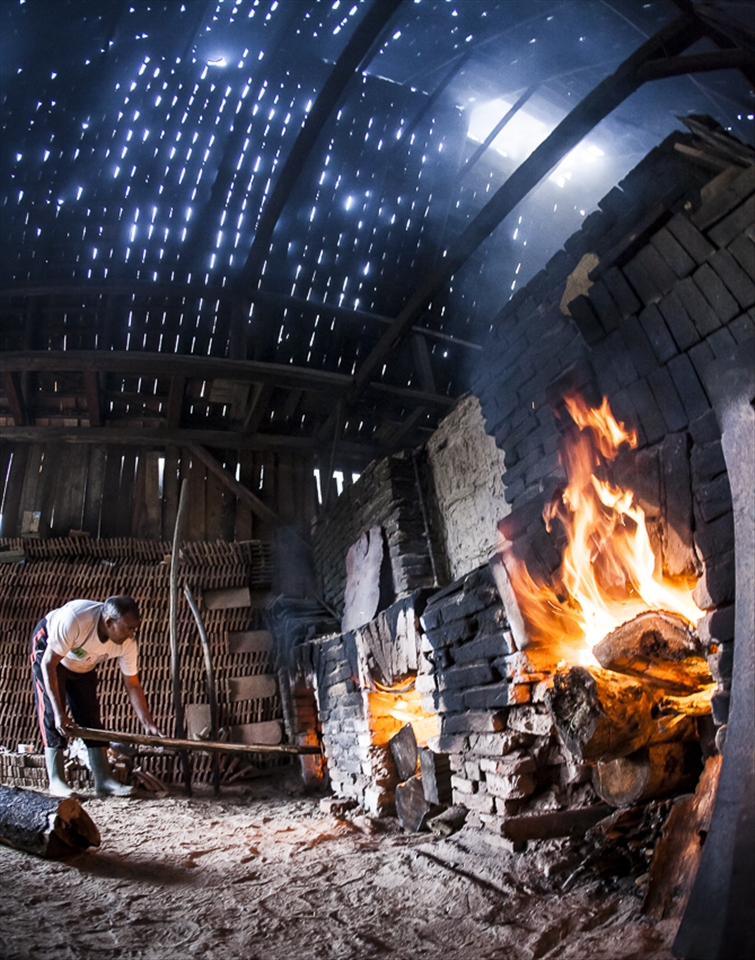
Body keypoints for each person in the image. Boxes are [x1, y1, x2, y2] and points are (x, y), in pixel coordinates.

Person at [30, 595, 161, 797]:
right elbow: (49, 664)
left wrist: (147, 723)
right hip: (50, 654)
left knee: (90, 716)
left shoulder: (127, 642)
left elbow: (132, 684)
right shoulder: (75, 619)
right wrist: (59, 712)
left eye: (134, 628)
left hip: (82, 664)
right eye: (127, 628)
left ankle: (104, 780)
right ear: (109, 622)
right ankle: (56, 780)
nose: (131, 634)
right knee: (51, 714)